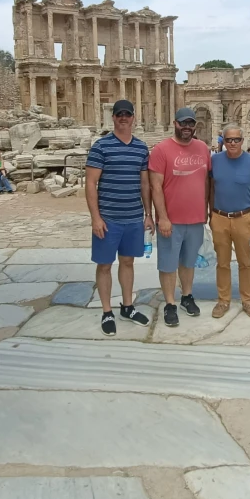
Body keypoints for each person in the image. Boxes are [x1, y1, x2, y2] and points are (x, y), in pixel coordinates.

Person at [85, 99, 154, 336]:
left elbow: (145, 183)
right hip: (109, 218)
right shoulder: (101, 146)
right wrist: (96, 217)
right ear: (113, 117)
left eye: (127, 114)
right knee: (104, 265)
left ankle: (127, 306)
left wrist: (148, 214)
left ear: (133, 117)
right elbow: (91, 183)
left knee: (127, 262)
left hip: (133, 217)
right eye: (119, 114)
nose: (123, 118)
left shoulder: (141, 148)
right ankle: (107, 311)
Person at [149, 107, 210, 327]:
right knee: (167, 264)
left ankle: (186, 296)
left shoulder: (203, 148)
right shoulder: (161, 150)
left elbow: (205, 181)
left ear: (195, 126)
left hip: (195, 218)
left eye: (190, 123)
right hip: (171, 219)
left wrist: (206, 209)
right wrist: (162, 217)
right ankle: (169, 304)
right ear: (175, 123)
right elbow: (155, 186)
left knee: (188, 261)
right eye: (183, 123)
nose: (187, 127)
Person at [208, 124, 250, 319]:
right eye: (229, 139)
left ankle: (247, 300)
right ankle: (223, 300)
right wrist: (210, 214)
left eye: (236, 139)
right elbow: (210, 189)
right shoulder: (214, 161)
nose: (232, 143)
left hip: (244, 218)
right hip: (220, 217)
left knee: (245, 262)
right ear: (223, 141)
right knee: (222, 262)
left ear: (242, 141)